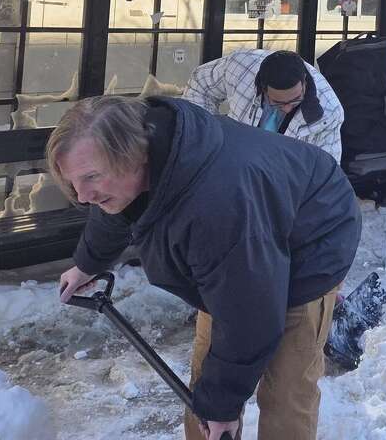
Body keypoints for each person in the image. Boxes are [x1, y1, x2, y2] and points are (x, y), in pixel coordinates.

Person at [51, 95, 361, 440]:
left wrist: (222, 408)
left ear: (134, 155)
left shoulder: (217, 204)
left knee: (286, 387)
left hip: (312, 241)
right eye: (74, 182)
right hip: (247, 242)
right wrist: (87, 263)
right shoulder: (141, 161)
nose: (81, 196)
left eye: (91, 177)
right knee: (210, 383)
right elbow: (116, 210)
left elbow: (249, 312)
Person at [183, 49, 343, 161]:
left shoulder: (329, 112)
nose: (287, 108)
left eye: (295, 100)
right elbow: (200, 85)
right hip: (234, 164)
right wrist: (204, 137)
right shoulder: (240, 67)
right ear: (262, 88)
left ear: (305, 84)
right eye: (277, 102)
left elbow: (326, 175)